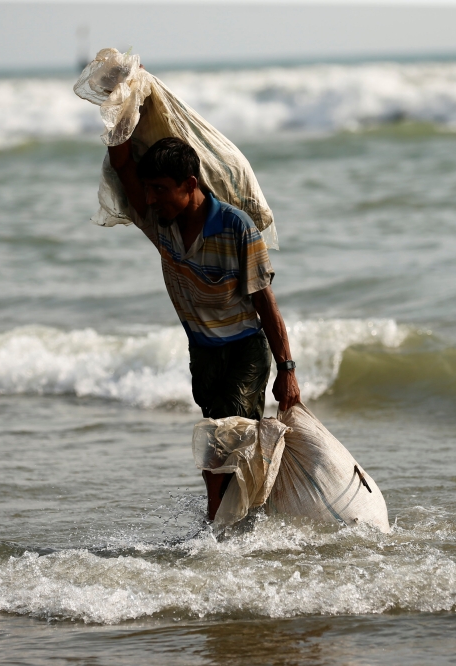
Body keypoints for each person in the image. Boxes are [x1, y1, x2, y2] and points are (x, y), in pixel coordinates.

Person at [107, 136, 301, 521]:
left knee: (226, 437)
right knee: (220, 442)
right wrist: (123, 99)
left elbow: (265, 302)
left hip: (245, 349)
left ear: (190, 185)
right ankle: (241, 520)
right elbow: (122, 167)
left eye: (160, 189)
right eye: (149, 190)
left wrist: (287, 370)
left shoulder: (236, 227)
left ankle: (216, 525)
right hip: (203, 353)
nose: (150, 198)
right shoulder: (162, 224)